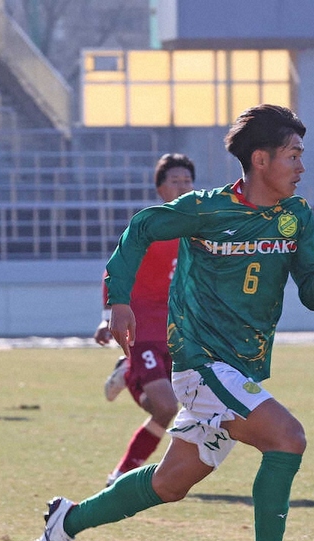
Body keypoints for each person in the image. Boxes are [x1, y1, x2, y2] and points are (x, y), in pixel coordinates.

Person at [28, 104, 314, 541]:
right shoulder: (205, 208)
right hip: (201, 364)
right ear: (261, 160)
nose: (301, 167)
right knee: (288, 439)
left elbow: (312, 295)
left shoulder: (296, 216)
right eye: (294, 156)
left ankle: (67, 519)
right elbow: (139, 229)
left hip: (238, 370)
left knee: (170, 483)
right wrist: (118, 302)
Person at [94, 153, 196, 487]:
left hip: (179, 332)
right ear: (160, 188)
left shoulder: (198, 228)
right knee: (166, 407)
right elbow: (114, 270)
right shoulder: (148, 225)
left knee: (178, 409)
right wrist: (107, 316)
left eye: (187, 181)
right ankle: (121, 476)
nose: (182, 187)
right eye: (175, 181)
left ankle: (127, 371)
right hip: (142, 328)